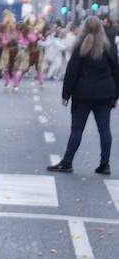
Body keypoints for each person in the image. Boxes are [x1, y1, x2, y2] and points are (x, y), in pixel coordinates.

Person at [49, 16, 119, 175]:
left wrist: (65, 95)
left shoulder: (80, 47)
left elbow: (72, 73)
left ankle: (67, 162)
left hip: (83, 94)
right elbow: (116, 72)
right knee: (105, 130)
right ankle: (105, 164)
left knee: (77, 129)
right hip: (105, 94)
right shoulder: (109, 48)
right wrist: (115, 95)